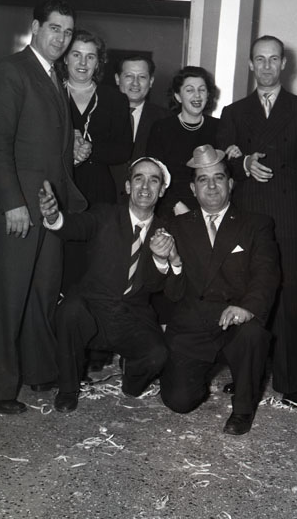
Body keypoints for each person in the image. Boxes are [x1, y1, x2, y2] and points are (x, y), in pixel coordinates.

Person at [0, 0, 87, 415]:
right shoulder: (11, 71)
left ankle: (38, 369)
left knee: (41, 293)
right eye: (54, 28)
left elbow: (44, 145)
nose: (61, 38)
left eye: (67, 32)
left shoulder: (52, 76)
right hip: (15, 210)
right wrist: (13, 204)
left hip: (47, 209)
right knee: (4, 298)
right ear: (35, 27)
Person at [217, 35, 297, 405]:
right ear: (251, 64)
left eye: (273, 59)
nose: (266, 66)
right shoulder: (234, 112)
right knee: (245, 292)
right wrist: (244, 163)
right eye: (260, 59)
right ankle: (244, 375)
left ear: (284, 64)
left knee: (291, 297)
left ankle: (289, 380)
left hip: (288, 216)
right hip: (247, 215)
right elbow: (222, 163)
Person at [148, 144, 279, 435]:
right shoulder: (176, 226)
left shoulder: (256, 224)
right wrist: (170, 261)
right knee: (179, 401)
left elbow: (266, 274)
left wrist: (247, 308)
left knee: (253, 334)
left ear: (231, 184)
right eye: (203, 180)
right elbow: (172, 293)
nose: (211, 186)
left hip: (235, 320)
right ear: (193, 189)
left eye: (218, 178)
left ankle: (243, 408)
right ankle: (202, 374)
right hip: (193, 324)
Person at [38, 157, 171, 413]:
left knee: (158, 354)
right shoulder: (105, 215)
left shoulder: (166, 230)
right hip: (93, 308)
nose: (145, 187)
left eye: (153, 180)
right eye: (139, 179)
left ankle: (130, 379)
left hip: (132, 314)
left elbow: (158, 286)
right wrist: (54, 217)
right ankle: (68, 389)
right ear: (128, 186)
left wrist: (161, 258)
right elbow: (75, 226)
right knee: (70, 311)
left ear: (162, 190)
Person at [59, 30, 132, 290]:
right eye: (76, 55)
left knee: (93, 266)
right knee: (59, 260)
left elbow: (124, 150)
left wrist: (91, 149)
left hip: (99, 192)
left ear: (98, 62)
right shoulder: (51, 93)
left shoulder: (115, 99)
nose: (83, 63)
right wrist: (67, 148)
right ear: (65, 58)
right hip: (60, 187)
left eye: (90, 57)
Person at [146, 66, 220, 217]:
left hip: (211, 207)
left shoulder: (219, 127)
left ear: (208, 95)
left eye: (202, 90)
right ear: (178, 96)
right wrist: (176, 205)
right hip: (172, 207)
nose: (197, 95)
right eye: (189, 90)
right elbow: (155, 174)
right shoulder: (162, 128)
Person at [111, 55, 169, 203]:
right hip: (106, 202)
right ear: (117, 79)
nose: (135, 83)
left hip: (147, 203)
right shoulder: (100, 114)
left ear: (151, 81)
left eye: (142, 77)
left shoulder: (166, 119)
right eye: (129, 76)